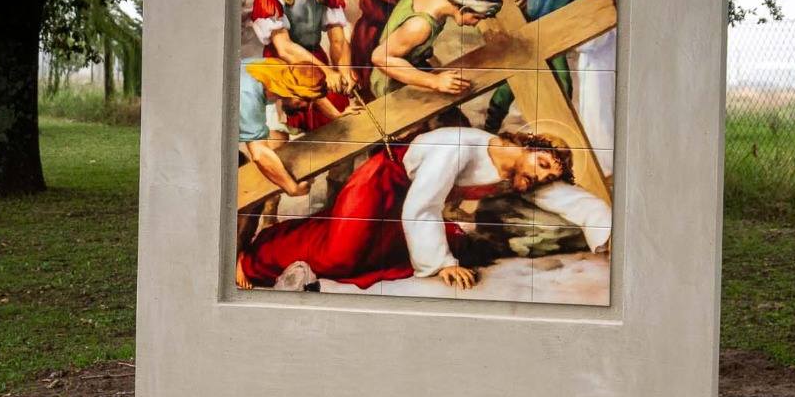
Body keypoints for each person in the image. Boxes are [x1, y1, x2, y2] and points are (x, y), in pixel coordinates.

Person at [236, 126, 603, 290]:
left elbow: (564, 198)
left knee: (373, 254)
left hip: (407, 201)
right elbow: (422, 205)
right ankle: (255, 257)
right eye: (542, 165)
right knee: (340, 254)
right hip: (381, 186)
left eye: (547, 175)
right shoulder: (459, 147)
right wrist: (441, 263)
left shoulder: (519, 172)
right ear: (526, 146)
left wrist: (608, 231)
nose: (541, 177)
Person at [247, 0, 353, 129]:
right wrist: (327, 72)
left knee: (341, 108)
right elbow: (285, 48)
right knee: (300, 118)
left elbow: (338, 41)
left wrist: (345, 70)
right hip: (286, 65)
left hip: (316, 59)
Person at [483, 0, 594, 131]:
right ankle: (490, 127)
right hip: (524, 40)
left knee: (564, 84)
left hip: (552, 41)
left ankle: (559, 129)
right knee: (510, 85)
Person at [369, 0, 505, 99]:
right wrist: (434, 81)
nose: (475, 24)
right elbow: (379, 57)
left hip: (415, 64)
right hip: (392, 81)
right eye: (476, 17)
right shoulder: (420, 26)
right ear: (463, 9)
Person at [237, 59, 329, 197]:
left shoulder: (279, 71)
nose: (307, 106)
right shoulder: (248, 96)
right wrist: (292, 188)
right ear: (288, 90)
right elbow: (259, 153)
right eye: (304, 99)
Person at [575, 0, 618, 170]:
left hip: (602, 58)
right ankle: (592, 162)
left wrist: (582, 43)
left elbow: (605, 28)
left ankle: (605, 166)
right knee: (589, 109)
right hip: (588, 56)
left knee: (599, 110)